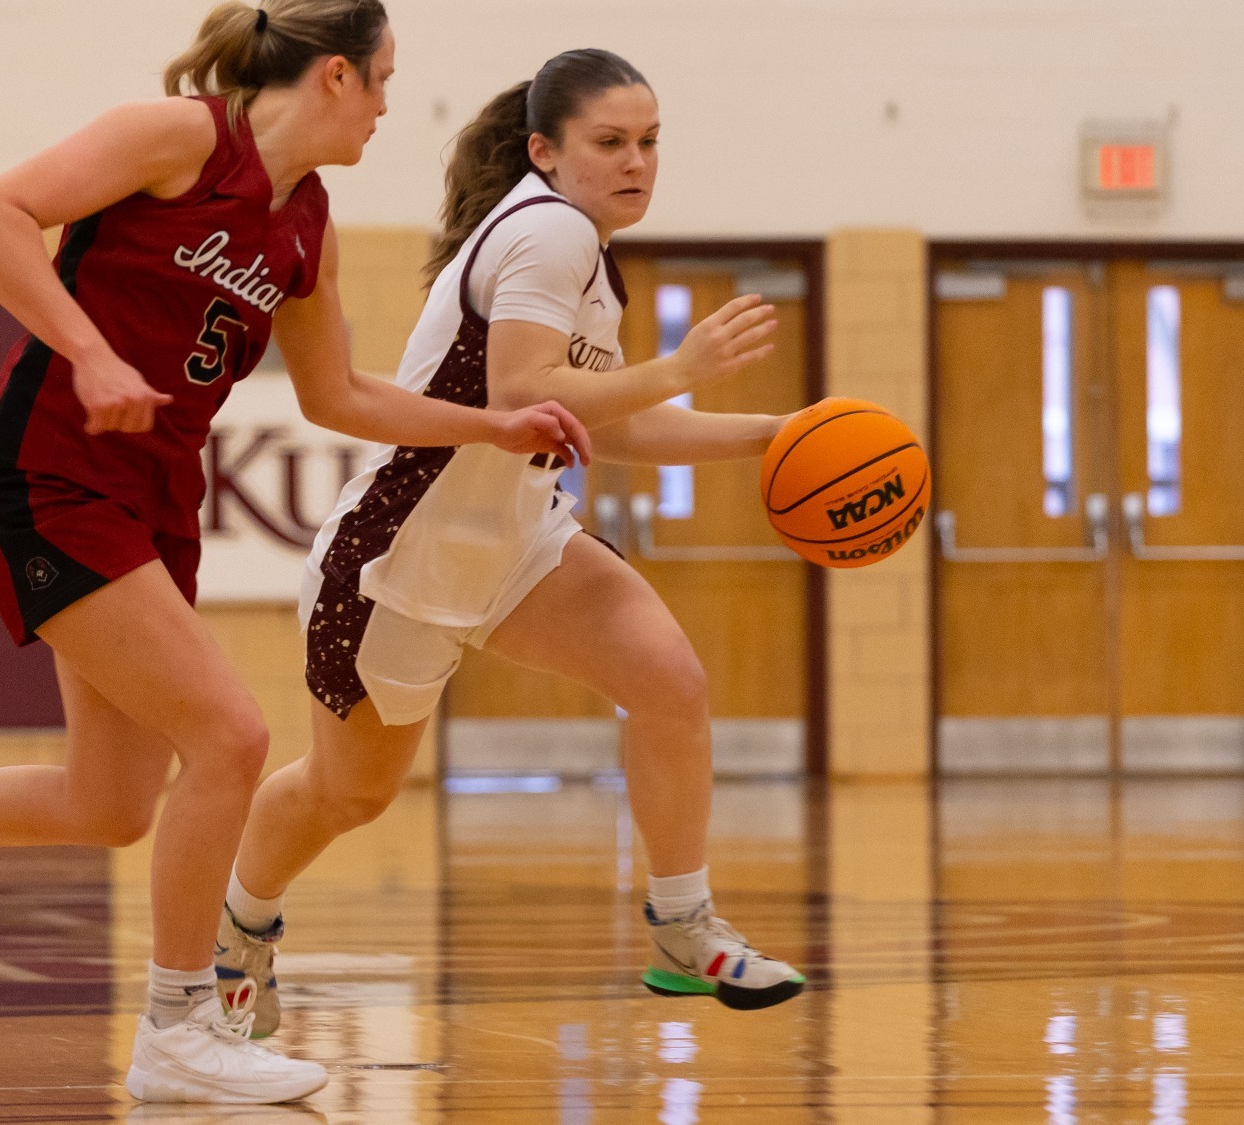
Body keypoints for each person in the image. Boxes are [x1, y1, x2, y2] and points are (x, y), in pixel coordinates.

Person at [0, 0, 590, 1106]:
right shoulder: (177, 138)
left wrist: (491, 425)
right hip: (47, 474)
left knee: (109, 803)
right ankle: (178, 1027)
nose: (391, 108)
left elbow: (336, 395)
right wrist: (91, 354)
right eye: (384, 79)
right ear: (336, 77)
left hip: (154, 502)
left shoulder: (309, 224)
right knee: (231, 737)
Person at [209, 48, 803, 1038]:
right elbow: (523, 393)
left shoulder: (581, 251)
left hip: (518, 543)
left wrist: (777, 437)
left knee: (668, 681)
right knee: (345, 795)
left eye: (649, 143)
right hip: (402, 559)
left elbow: (600, 428)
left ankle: (680, 928)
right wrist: (680, 366)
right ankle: (235, 939)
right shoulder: (549, 233)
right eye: (609, 142)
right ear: (543, 150)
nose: (636, 163)